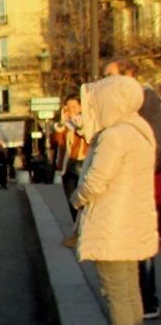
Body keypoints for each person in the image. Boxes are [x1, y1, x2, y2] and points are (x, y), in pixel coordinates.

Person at [71, 74, 157, 325]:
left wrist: (77, 198)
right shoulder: (140, 131)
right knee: (130, 287)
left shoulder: (115, 135)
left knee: (116, 290)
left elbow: (96, 179)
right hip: (132, 222)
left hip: (112, 225)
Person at [105, 58, 161, 321]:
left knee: (141, 245)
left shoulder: (146, 102)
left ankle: (147, 301)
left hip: (147, 185)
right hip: (142, 184)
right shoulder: (133, 104)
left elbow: (154, 147)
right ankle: (140, 303)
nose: (106, 83)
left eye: (110, 76)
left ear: (129, 76)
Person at [55, 93, 90, 239]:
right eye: (68, 107)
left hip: (83, 161)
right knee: (71, 198)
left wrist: (75, 124)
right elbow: (58, 142)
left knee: (82, 198)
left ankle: (83, 230)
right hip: (68, 164)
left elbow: (86, 136)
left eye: (74, 107)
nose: (72, 110)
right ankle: (77, 229)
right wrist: (62, 124)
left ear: (81, 107)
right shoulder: (64, 125)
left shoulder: (86, 121)